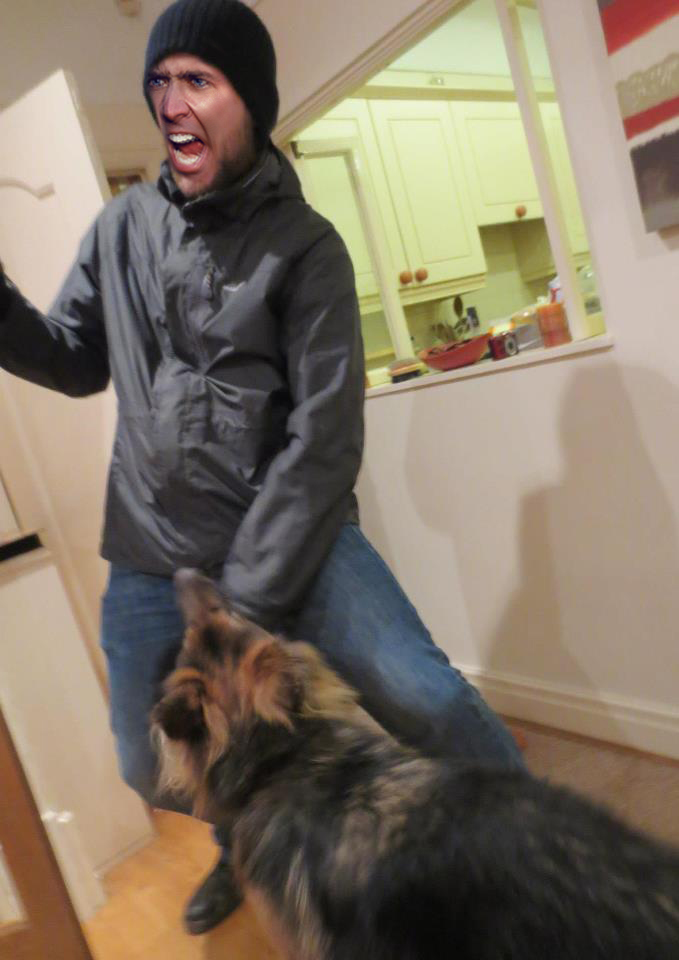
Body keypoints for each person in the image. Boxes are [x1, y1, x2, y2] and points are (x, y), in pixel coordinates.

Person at [0, 0, 523, 936]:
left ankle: (528, 836)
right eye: (160, 82)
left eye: (197, 81)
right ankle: (245, 840)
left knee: (429, 696)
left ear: (251, 101)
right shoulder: (121, 229)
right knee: (142, 760)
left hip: (291, 539)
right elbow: (74, 359)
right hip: (150, 553)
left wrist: (242, 599)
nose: (171, 103)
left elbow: (324, 437)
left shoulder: (307, 248)